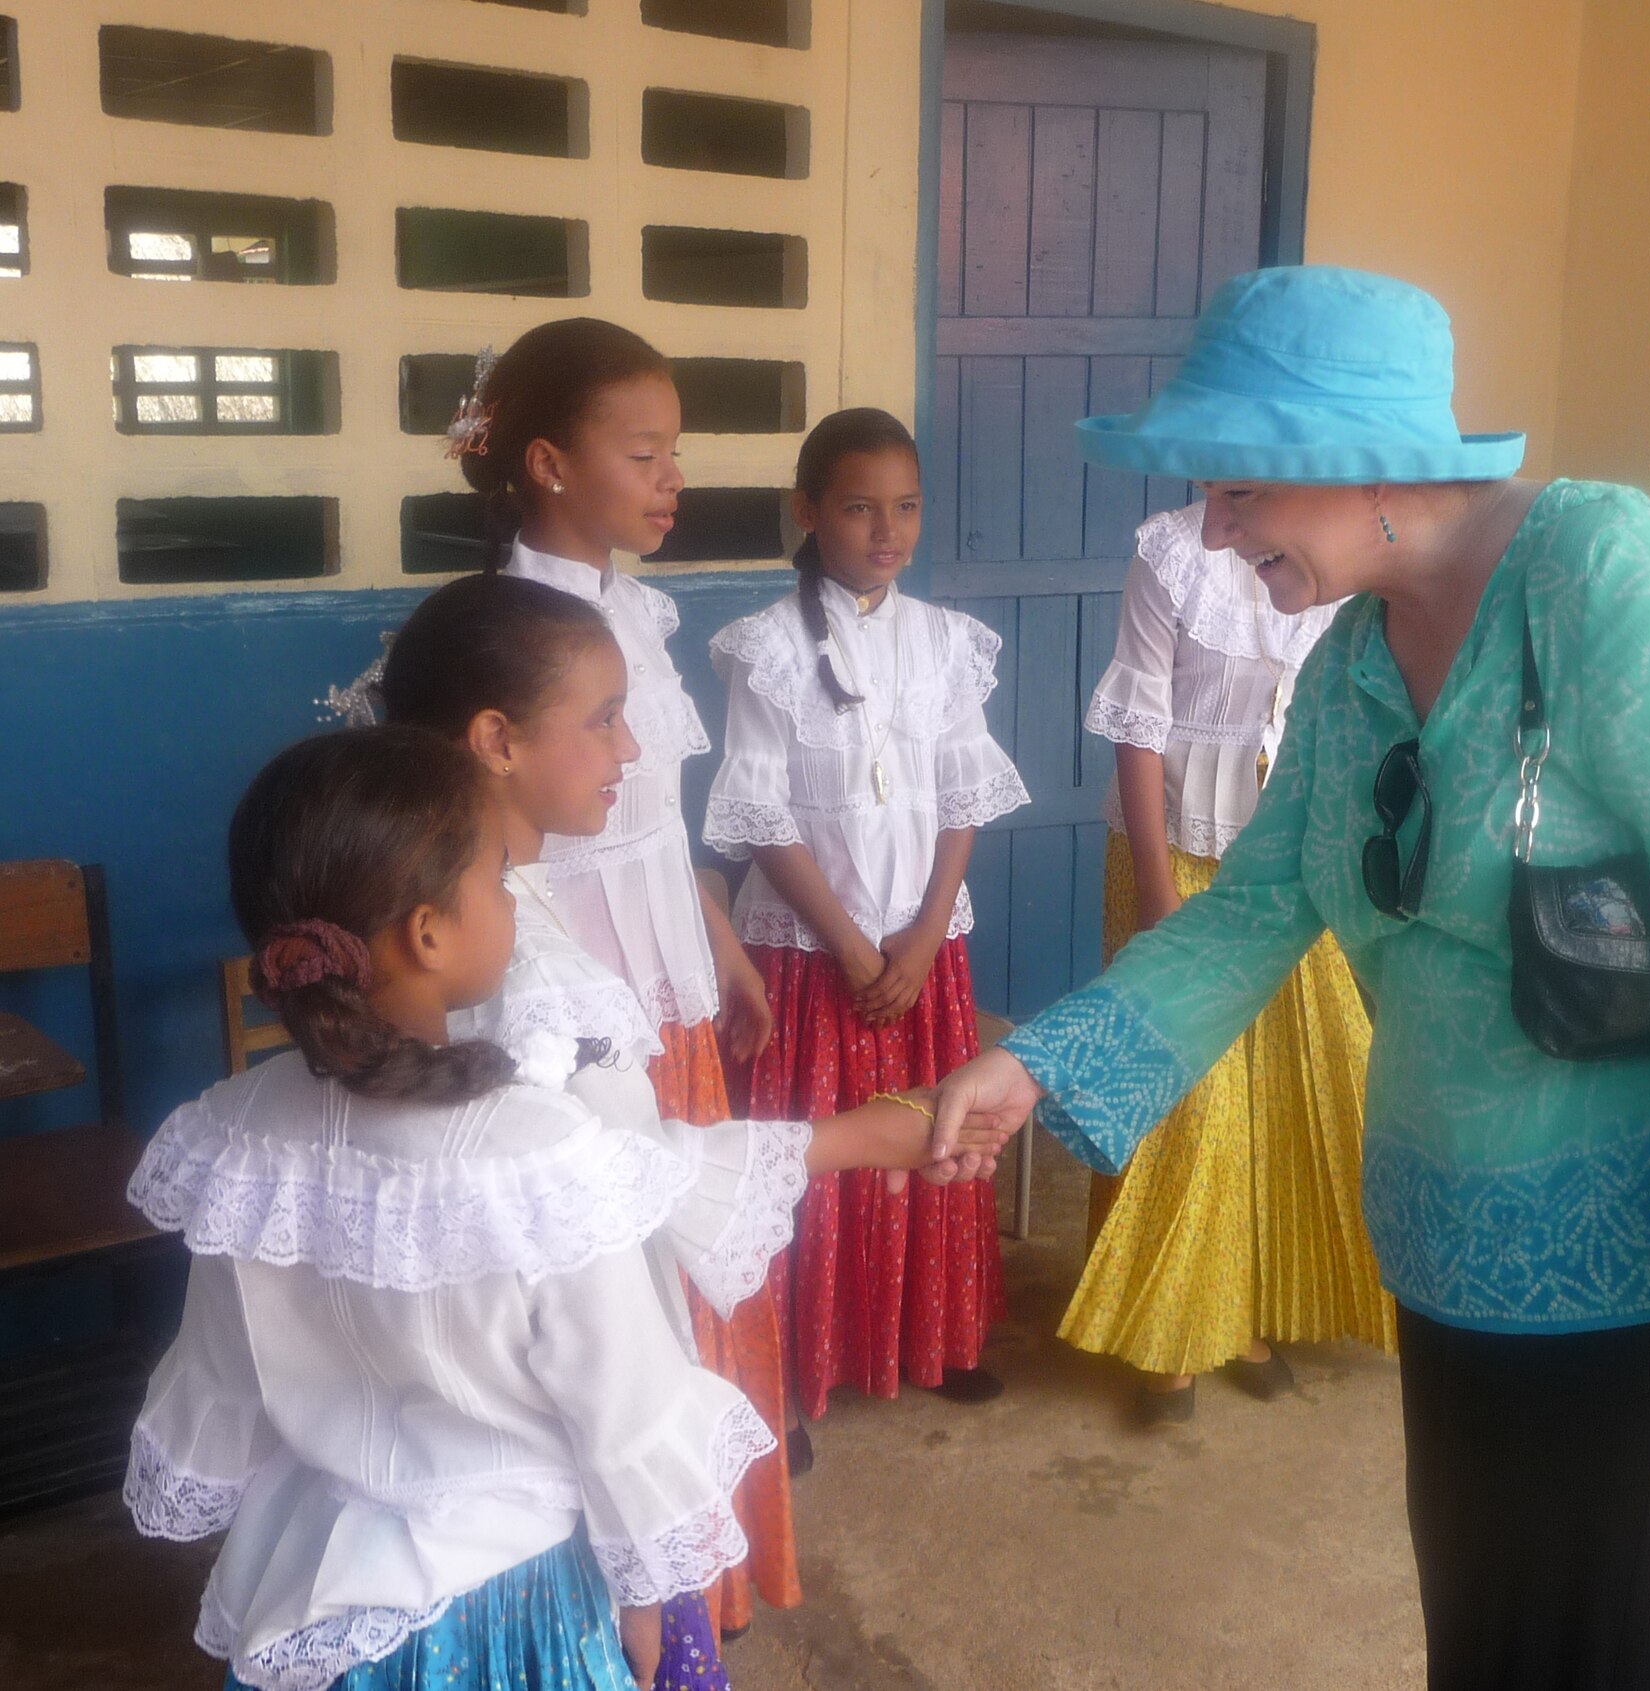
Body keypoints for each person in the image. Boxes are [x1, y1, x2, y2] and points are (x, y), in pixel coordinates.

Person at [934, 267, 1650, 1690]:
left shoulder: (1615, 577)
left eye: (1239, 488)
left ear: (1350, 460)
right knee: (1482, 1626)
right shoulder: (1357, 658)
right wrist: (1034, 1059)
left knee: (1601, 1634)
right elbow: (1254, 913)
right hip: (1450, 1253)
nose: (1218, 525)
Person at [123, 727, 1002, 1691]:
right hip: (515, 1608)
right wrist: (644, 1603)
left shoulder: (231, 1140)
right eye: (500, 881)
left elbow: (219, 1383)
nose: (513, 900)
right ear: (428, 932)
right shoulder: (535, 1155)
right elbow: (622, 1413)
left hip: (320, 1599)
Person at [451, 319, 794, 1635]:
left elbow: (653, 823)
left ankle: (706, 1581)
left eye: (676, 453)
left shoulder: (640, 615)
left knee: (694, 1263)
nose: (670, 478)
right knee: (616, 1304)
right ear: (544, 462)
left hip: (674, 1008)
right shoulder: (503, 635)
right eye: (641, 452)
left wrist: (718, 939)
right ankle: (640, 1606)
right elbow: (502, 865)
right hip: (577, 1045)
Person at [703, 408, 1028, 1419]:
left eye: (906, 507)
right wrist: (846, 942)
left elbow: (963, 795)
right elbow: (758, 811)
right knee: (815, 1154)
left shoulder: (944, 642)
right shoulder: (763, 648)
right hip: (809, 955)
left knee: (935, 1135)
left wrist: (927, 930)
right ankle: (794, 1358)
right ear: (808, 510)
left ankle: (930, 1337)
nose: (885, 530)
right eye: (856, 507)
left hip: (923, 949)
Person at [1071, 499, 1395, 1423]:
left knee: (1301, 1078)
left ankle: (1248, 1305)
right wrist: (1156, 893)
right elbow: (1137, 720)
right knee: (1191, 1095)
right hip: (1173, 846)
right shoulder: (1170, 554)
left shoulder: (1337, 552)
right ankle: (1172, 1333)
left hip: (1299, 849)